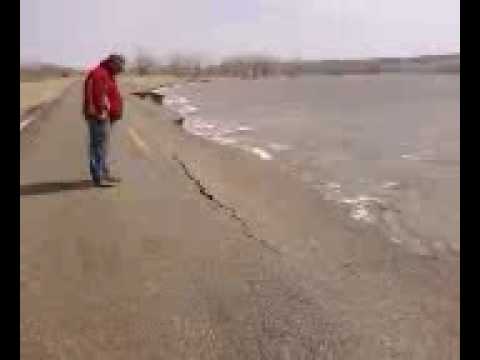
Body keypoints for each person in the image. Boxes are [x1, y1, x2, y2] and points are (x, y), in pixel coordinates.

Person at [83, 54, 125, 187]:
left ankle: (103, 173)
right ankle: (98, 177)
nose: (121, 69)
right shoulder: (99, 74)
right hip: (99, 116)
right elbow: (97, 95)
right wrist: (101, 111)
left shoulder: (107, 73)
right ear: (112, 63)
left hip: (104, 116)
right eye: (120, 66)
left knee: (102, 146)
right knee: (98, 147)